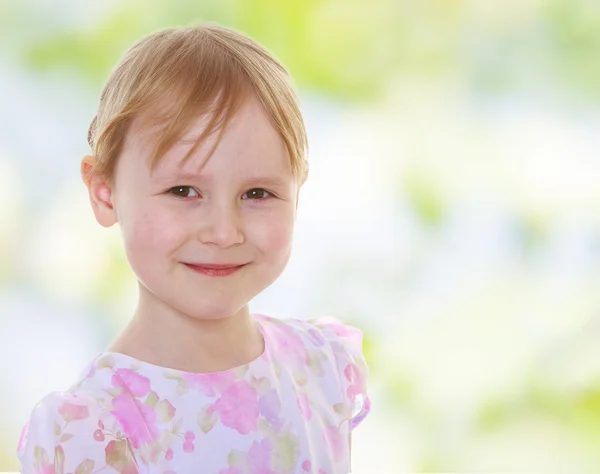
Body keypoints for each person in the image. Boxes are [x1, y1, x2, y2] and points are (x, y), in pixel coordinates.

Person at [17, 23, 370, 474]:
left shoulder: (321, 368)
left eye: (257, 194)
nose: (224, 232)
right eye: (184, 191)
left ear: (298, 191)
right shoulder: (94, 430)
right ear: (105, 192)